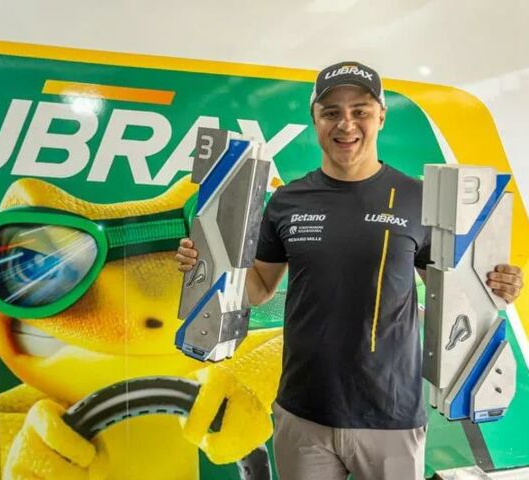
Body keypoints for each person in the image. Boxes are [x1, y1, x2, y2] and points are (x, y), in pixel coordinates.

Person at [176, 61, 524, 480]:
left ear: (381, 116)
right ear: (315, 120)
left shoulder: (417, 199)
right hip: (302, 413)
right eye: (331, 112)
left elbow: (452, 295)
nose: (346, 124)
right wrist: (208, 266)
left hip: (391, 418)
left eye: (360, 110)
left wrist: (496, 286)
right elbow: (259, 287)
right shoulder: (288, 200)